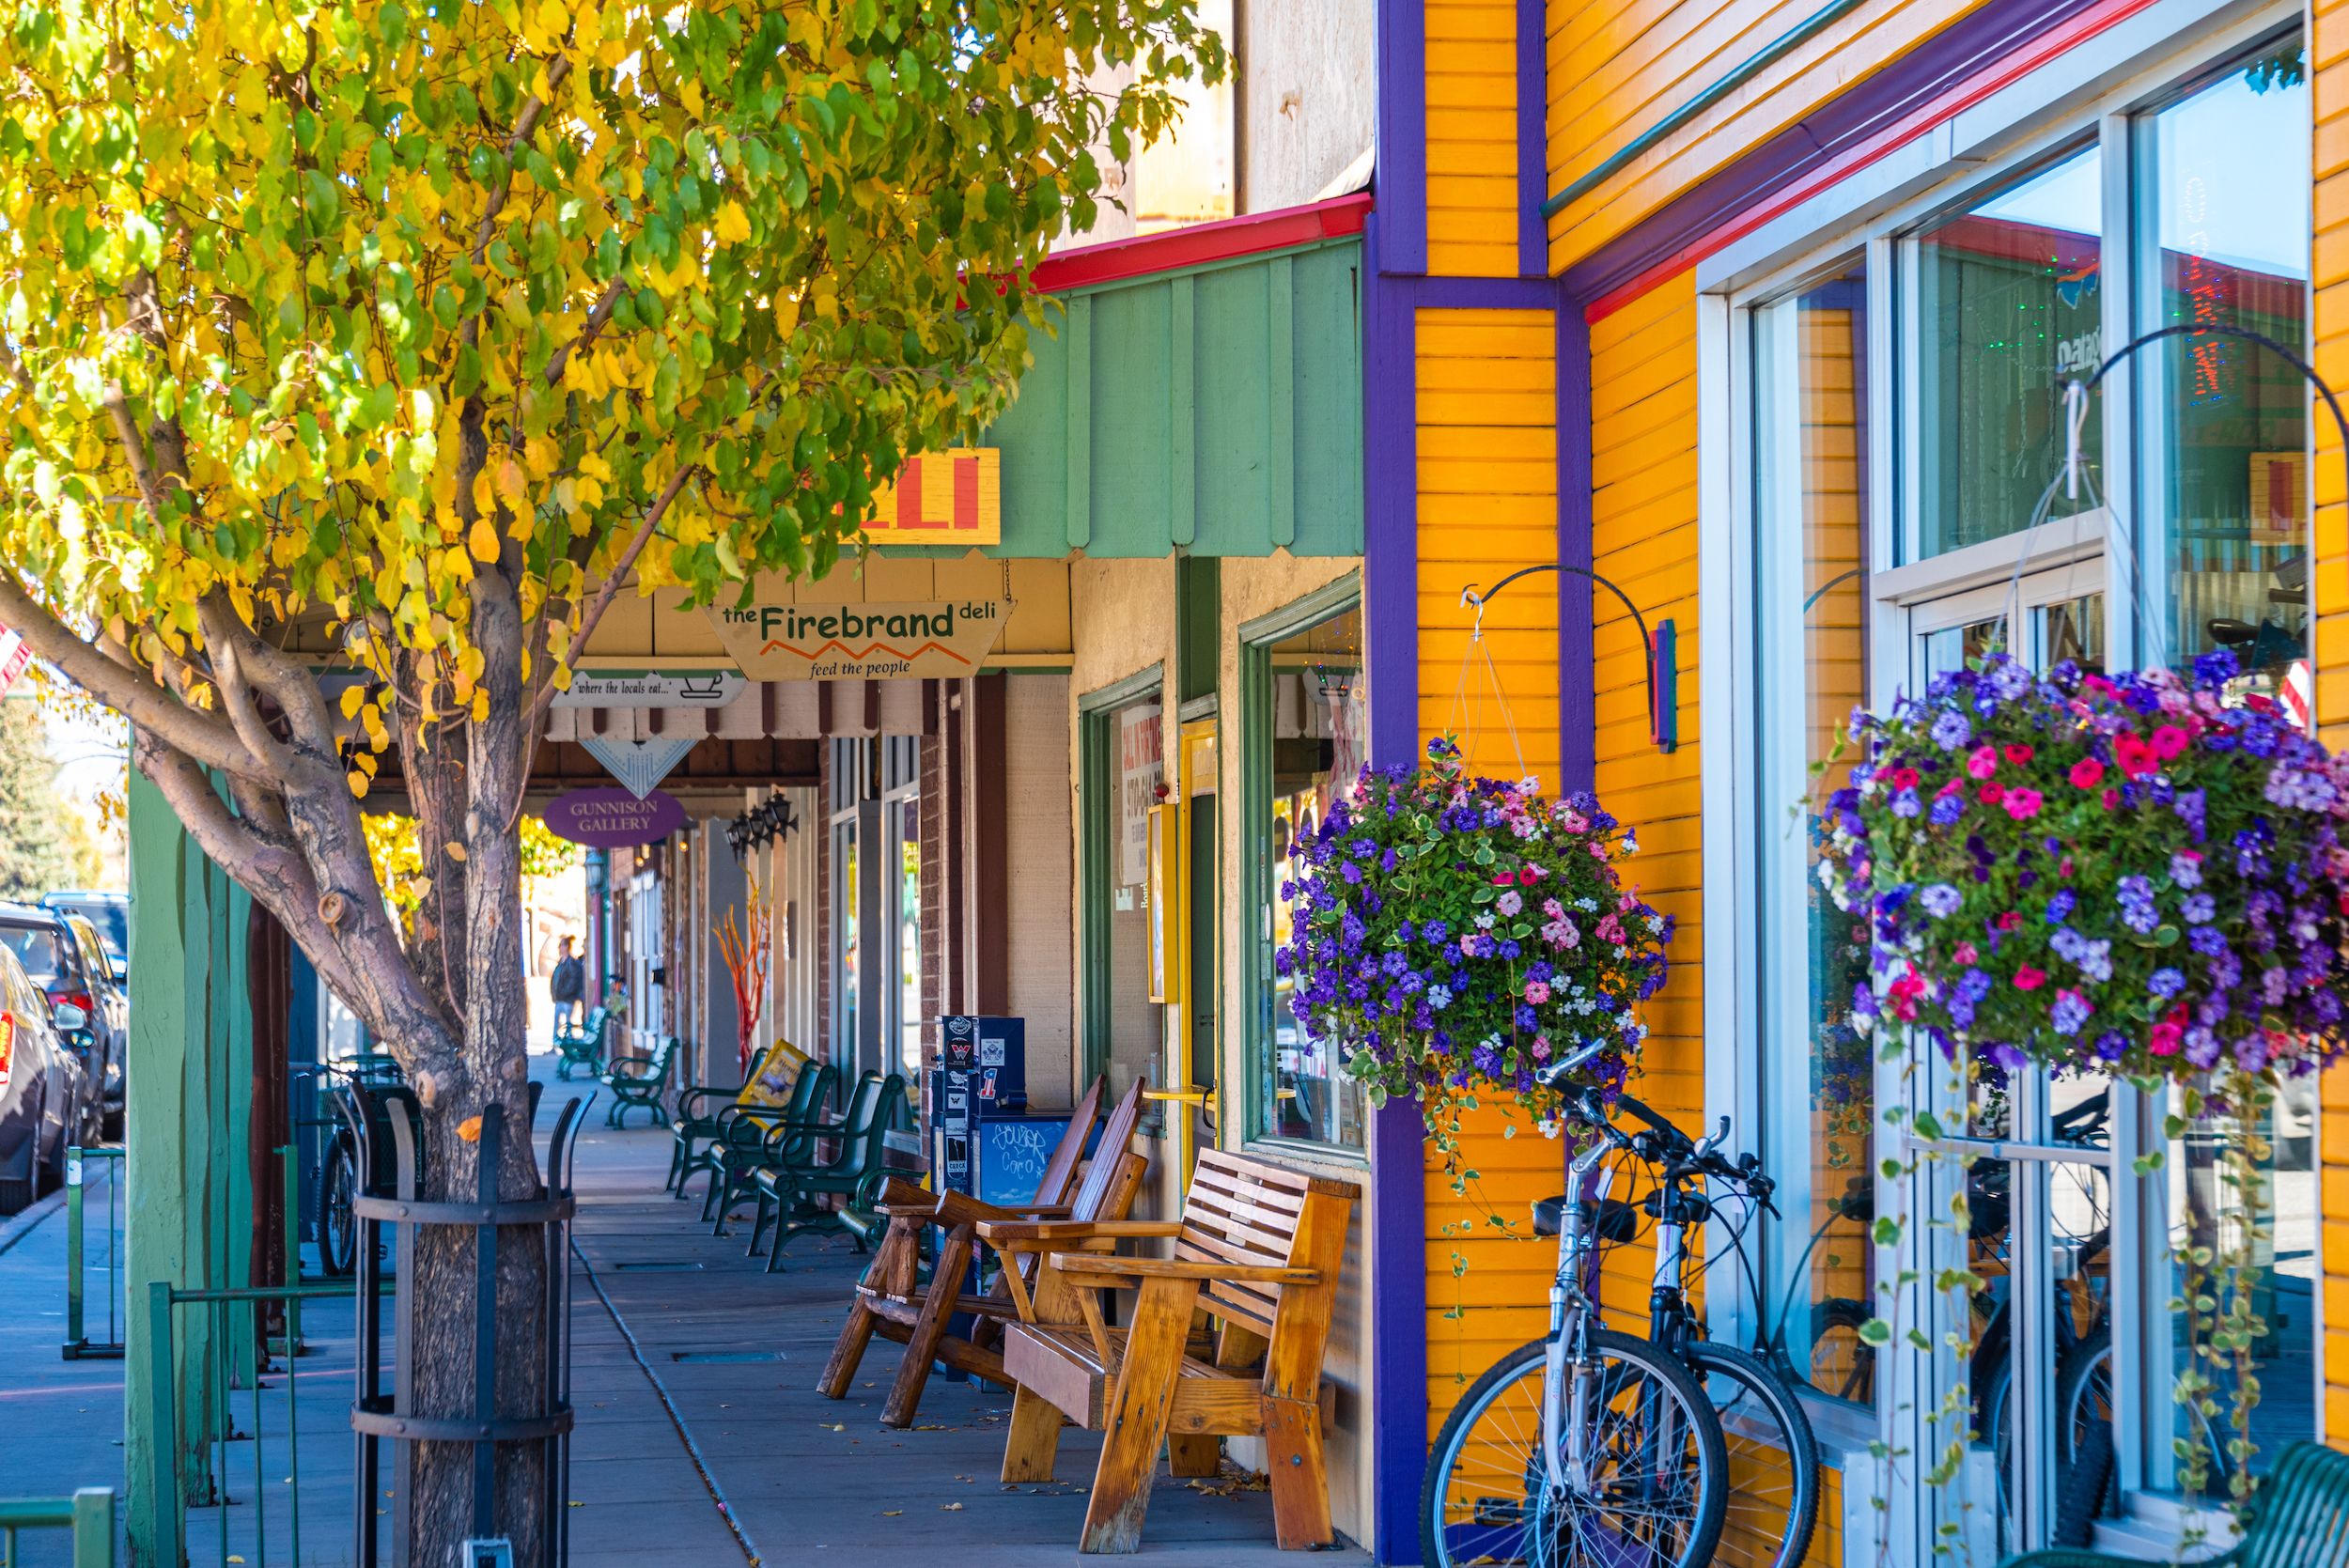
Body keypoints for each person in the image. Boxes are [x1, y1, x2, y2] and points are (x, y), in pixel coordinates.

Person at [550, 936, 584, 1037]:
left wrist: (565, 992)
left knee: (568, 1023)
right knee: (556, 1022)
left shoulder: (571, 963)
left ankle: (569, 1041)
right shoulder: (561, 962)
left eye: (561, 945)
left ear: (566, 947)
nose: (559, 948)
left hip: (567, 999)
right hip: (559, 998)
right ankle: (555, 1043)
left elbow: (574, 980)